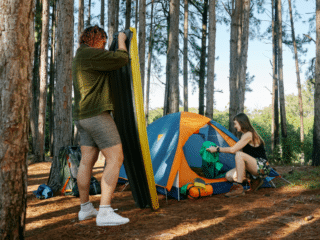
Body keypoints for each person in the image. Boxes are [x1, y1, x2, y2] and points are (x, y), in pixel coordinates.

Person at [72, 25, 130, 226]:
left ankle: (85, 208)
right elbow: (122, 59)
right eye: (103, 43)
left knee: (87, 159)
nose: (105, 47)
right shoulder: (90, 54)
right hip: (96, 114)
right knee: (115, 156)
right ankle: (104, 212)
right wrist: (121, 40)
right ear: (95, 39)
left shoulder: (81, 55)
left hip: (82, 116)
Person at [206, 113, 271, 198]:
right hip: (253, 166)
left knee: (239, 154)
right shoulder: (244, 135)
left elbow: (233, 150)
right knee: (229, 176)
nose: (235, 126)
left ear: (241, 123)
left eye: (235, 123)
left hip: (262, 167)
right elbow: (235, 151)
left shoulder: (249, 134)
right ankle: (255, 180)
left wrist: (217, 149)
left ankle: (239, 188)